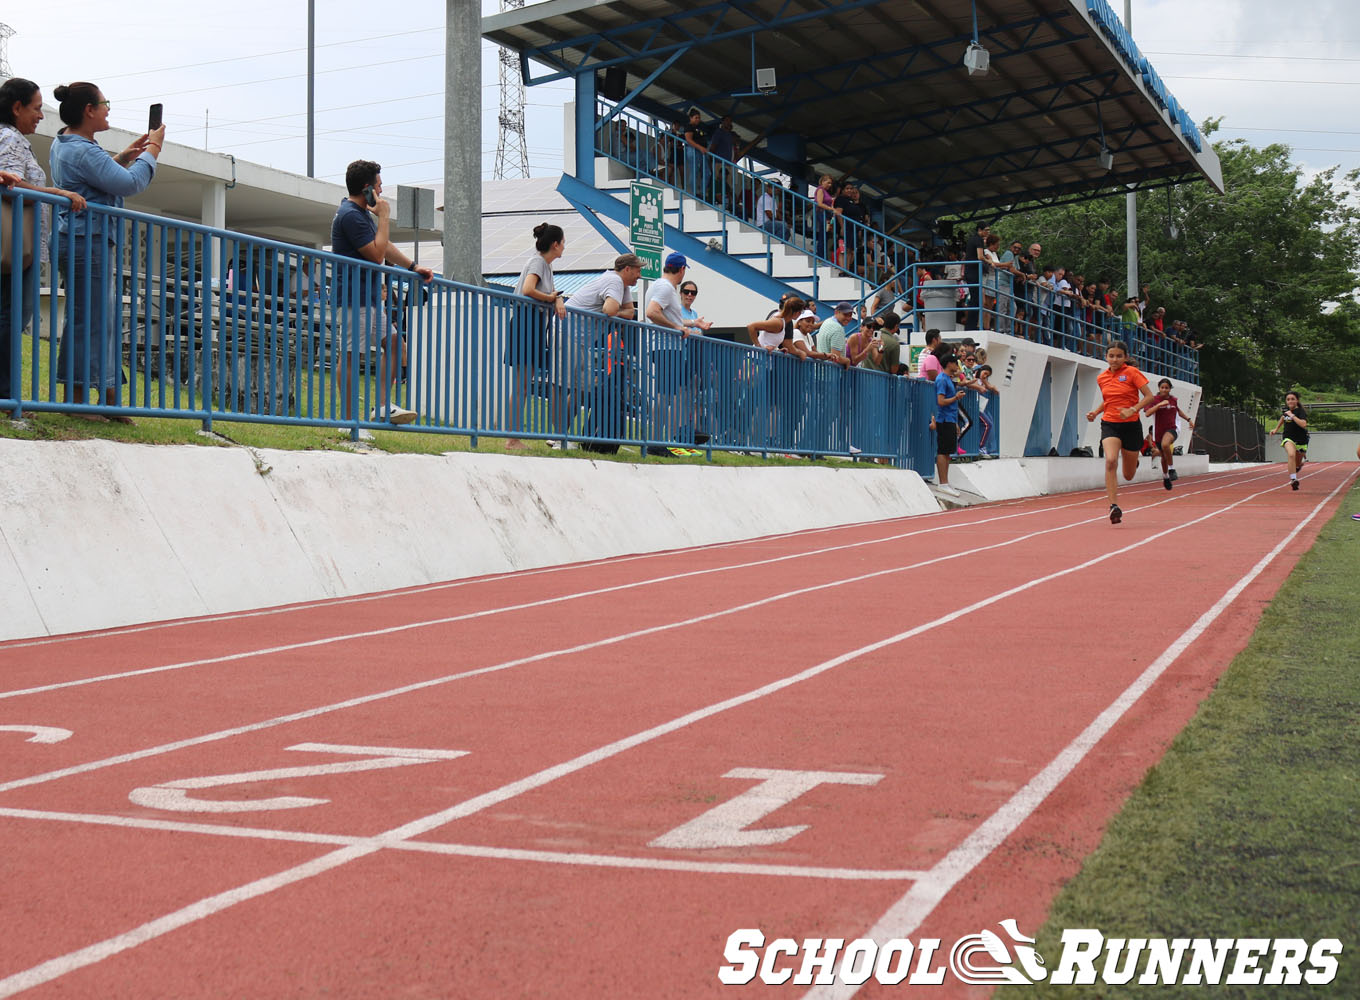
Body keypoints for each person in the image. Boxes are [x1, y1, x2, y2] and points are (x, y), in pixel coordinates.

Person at [48, 82, 163, 422]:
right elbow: (130, 184)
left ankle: (106, 396)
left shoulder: (66, 143)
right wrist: (152, 151)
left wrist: (122, 158)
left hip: (85, 238)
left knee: (103, 319)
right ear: (89, 110)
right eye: (104, 103)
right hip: (88, 239)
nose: (108, 109)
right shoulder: (83, 150)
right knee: (91, 321)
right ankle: (79, 400)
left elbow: (93, 181)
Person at [0, 78, 88, 416]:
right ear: (17, 107)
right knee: (13, 314)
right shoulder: (9, 137)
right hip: (16, 245)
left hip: (21, 244)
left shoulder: (15, 138)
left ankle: (7, 396)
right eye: (36, 108)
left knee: (13, 314)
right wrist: (59, 193)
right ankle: (7, 398)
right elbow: (10, 184)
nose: (40, 116)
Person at [330, 159, 431, 433]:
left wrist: (412, 266)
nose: (382, 190)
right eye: (379, 185)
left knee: (397, 345)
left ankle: (383, 407)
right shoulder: (350, 214)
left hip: (371, 299)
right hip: (354, 298)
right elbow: (376, 255)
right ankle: (349, 422)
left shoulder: (360, 214)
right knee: (351, 356)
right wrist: (384, 216)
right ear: (367, 189)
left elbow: (383, 246)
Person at [1085, 340, 1154, 524]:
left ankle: (1134, 461)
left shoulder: (1132, 373)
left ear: (1125, 357)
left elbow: (1149, 396)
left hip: (1131, 425)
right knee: (1110, 460)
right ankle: (1113, 506)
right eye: (1111, 356)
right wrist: (1096, 412)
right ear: (1106, 357)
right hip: (1110, 424)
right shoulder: (1102, 378)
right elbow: (1108, 400)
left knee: (1128, 475)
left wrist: (1133, 409)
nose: (1114, 359)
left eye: (1118, 356)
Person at [1141, 378, 1194, 489]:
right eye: (1162, 387)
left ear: (1170, 389)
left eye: (1167, 388)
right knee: (1163, 457)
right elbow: (1147, 414)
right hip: (1158, 432)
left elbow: (1178, 411)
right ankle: (1165, 477)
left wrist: (1189, 419)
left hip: (1172, 428)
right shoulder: (1154, 400)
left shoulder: (1173, 400)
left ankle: (1171, 469)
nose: (1164, 390)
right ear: (1159, 388)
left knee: (1166, 445)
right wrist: (1159, 405)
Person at [934, 353, 966, 496]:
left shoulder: (948, 379)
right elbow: (940, 401)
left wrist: (955, 423)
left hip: (950, 420)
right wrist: (956, 397)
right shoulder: (942, 379)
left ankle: (945, 481)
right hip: (944, 420)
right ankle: (943, 482)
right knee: (943, 450)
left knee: (947, 452)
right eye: (955, 363)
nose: (957, 366)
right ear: (949, 364)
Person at [1269, 391, 1309, 491]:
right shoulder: (1286, 411)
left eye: (1292, 399)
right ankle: (1293, 480)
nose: (1290, 401)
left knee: (1297, 464)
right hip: (1288, 438)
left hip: (1301, 440)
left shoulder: (1300, 411)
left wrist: (1292, 416)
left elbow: (1303, 424)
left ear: (1297, 400)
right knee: (1291, 454)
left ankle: (1299, 465)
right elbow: (1283, 418)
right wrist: (1276, 429)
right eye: (1288, 399)